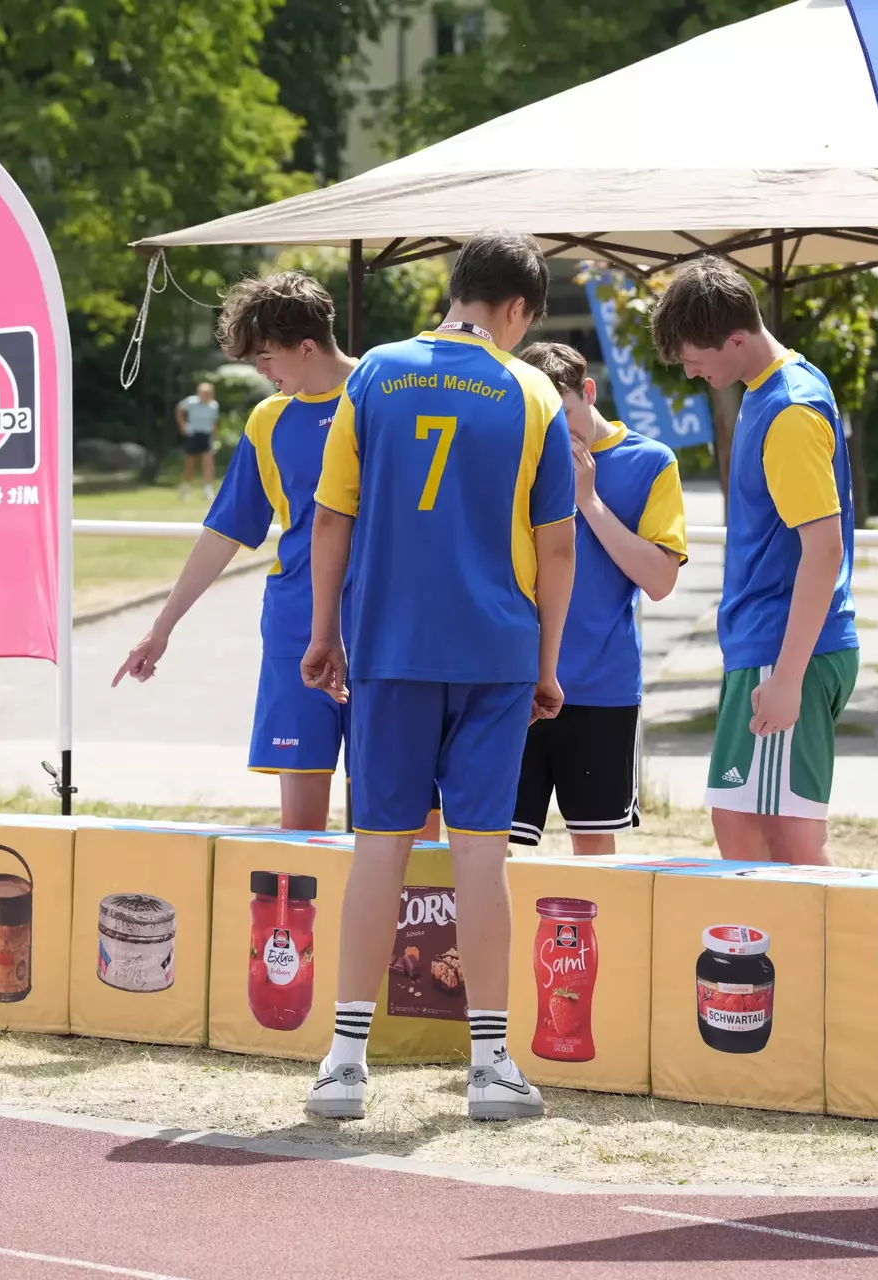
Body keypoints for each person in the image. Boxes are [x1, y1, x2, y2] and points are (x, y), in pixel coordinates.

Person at [301, 232, 576, 1122]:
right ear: (521, 311)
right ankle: (492, 1066)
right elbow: (558, 542)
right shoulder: (532, 389)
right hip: (495, 653)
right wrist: (545, 664)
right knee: (480, 856)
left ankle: (344, 1064)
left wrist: (325, 635)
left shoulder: (373, 373)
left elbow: (330, 518)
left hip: (389, 647)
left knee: (379, 847)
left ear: (453, 289)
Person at [114, 272, 357, 830]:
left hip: (383, 624)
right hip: (296, 626)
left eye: (266, 356)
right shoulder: (268, 419)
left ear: (307, 346)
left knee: (390, 828)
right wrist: (163, 625)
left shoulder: (383, 395)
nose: (260, 371)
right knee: (300, 834)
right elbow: (226, 529)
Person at [651, 256, 858, 866]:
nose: (690, 372)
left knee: (774, 837)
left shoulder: (788, 411)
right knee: (746, 830)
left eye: (695, 358)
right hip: (772, 644)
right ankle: (795, 958)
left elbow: (823, 548)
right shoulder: (768, 390)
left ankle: (820, 962)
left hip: (785, 646)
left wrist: (788, 677)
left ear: (736, 340)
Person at [510, 342, 687, 854]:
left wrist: (587, 499)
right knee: (492, 846)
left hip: (601, 690)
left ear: (588, 392)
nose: (555, 433)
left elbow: (659, 581)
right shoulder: (518, 458)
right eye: (541, 420)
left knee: (594, 859)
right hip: (514, 682)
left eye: (563, 415)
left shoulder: (651, 462)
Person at [176, 381, 220, 501]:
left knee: (208, 462)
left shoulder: (213, 405)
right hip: (193, 434)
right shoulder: (191, 401)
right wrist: (183, 426)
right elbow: (179, 409)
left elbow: (214, 422)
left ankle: (208, 489)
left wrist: (214, 437)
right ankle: (186, 487)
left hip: (206, 434)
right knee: (190, 462)